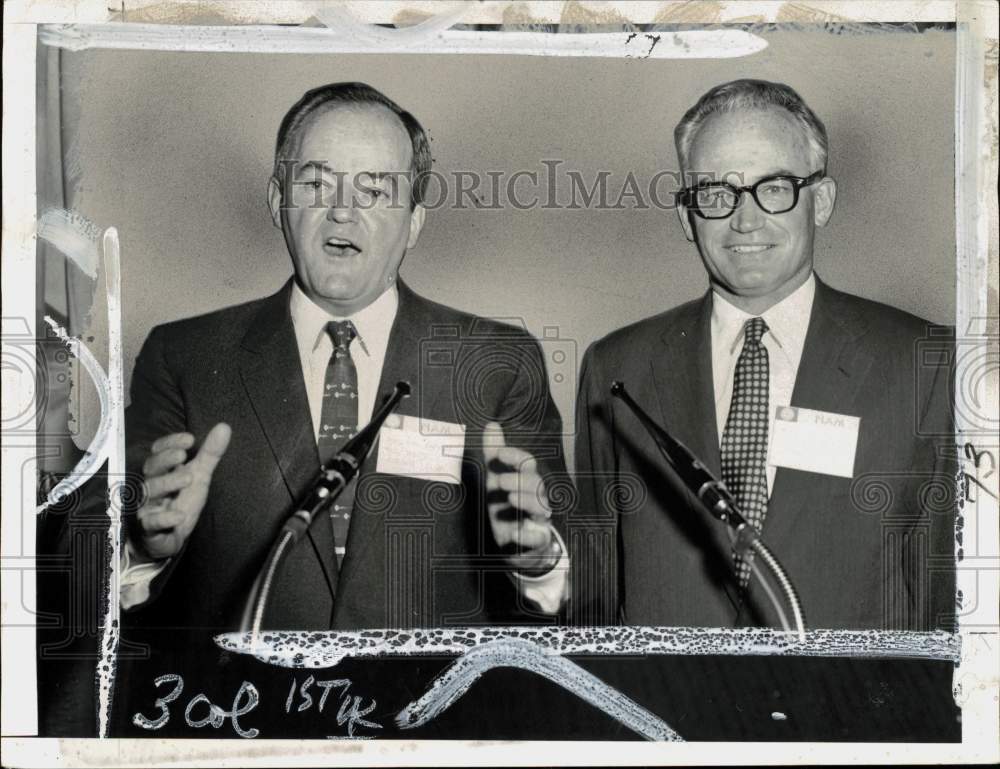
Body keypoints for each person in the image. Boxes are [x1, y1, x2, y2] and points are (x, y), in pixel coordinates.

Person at [121, 82, 569, 632]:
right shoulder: (181, 356)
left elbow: (580, 586)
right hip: (243, 686)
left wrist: (537, 560)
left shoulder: (499, 362)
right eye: (316, 184)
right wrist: (144, 546)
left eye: (375, 191)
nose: (342, 212)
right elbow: (93, 574)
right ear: (276, 201)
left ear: (415, 222)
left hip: (428, 688)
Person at [572, 79, 955, 631]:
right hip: (666, 689)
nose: (745, 220)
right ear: (686, 217)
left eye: (774, 188)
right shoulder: (616, 368)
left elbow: (946, 605)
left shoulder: (924, 363)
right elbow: (592, 602)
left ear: (821, 201)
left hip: (851, 689)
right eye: (715, 193)